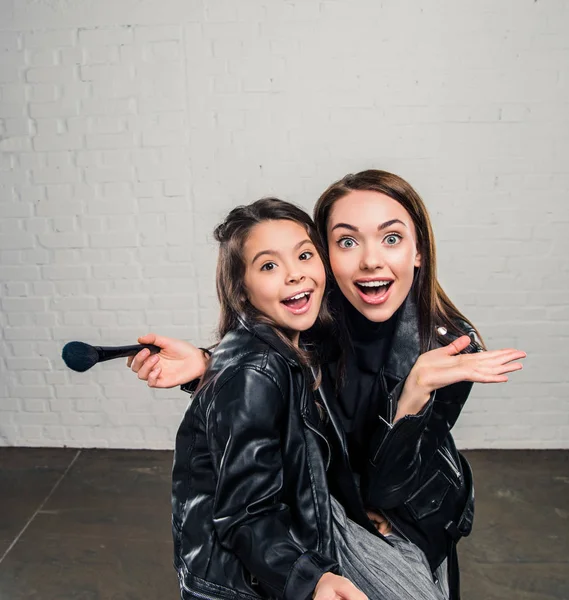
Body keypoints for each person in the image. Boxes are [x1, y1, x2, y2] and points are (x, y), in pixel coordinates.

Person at [130, 171, 526, 599]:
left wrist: (414, 397)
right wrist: (212, 364)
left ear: (418, 251)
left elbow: (387, 489)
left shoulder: (448, 347)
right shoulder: (312, 314)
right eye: (348, 241)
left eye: (391, 239)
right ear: (326, 255)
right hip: (324, 506)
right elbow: (272, 385)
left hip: (404, 511)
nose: (371, 260)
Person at [171, 197, 446, 600]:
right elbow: (246, 515)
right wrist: (310, 578)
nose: (294, 275)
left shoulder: (298, 348)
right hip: (252, 572)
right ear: (241, 290)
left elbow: (311, 456)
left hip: (311, 521)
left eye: (304, 255)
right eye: (268, 266)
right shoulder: (255, 372)